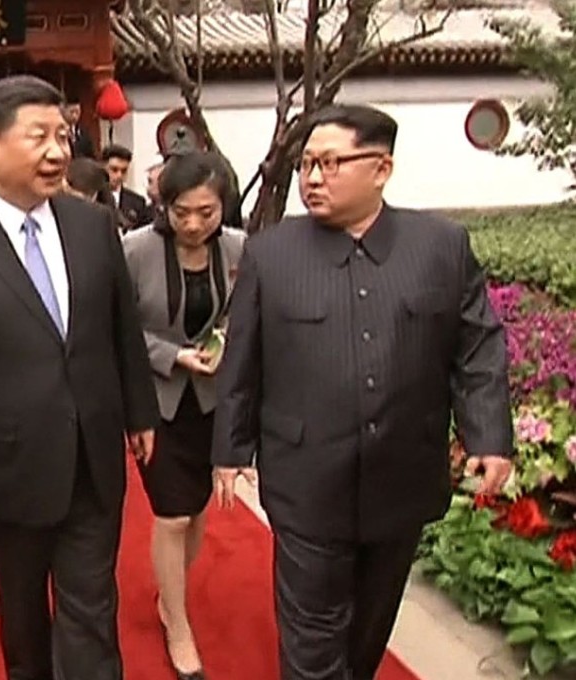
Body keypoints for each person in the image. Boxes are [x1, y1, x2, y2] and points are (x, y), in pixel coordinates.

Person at [210, 104, 514, 680]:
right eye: (306, 165)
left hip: (402, 475)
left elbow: (476, 346)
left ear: (381, 168)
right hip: (306, 478)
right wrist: (230, 450)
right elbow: (243, 360)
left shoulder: (441, 246)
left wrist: (489, 436)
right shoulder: (271, 253)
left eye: (329, 163)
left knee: (368, 633)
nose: (312, 178)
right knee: (312, 642)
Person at [0, 74, 159, 680]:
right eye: (39, 137)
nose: (57, 151)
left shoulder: (92, 225)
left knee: (91, 607)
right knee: (22, 614)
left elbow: (120, 329)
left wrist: (140, 411)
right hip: (8, 464)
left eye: (64, 135)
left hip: (92, 456)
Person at [122, 152, 246, 680]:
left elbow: (247, 315)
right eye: (181, 212)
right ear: (163, 206)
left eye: (206, 212)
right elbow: (118, 327)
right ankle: (177, 622)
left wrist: (228, 344)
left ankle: (169, 592)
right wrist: (172, 356)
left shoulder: (241, 249)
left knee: (196, 514)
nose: (193, 224)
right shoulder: (135, 251)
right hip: (158, 401)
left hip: (213, 402)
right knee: (171, 514)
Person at [102, 144, 152, 230]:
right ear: (104, 167)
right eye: (114, 169)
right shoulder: (93, 198)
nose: (119, 175)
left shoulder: (138, 202)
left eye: (124, 171)